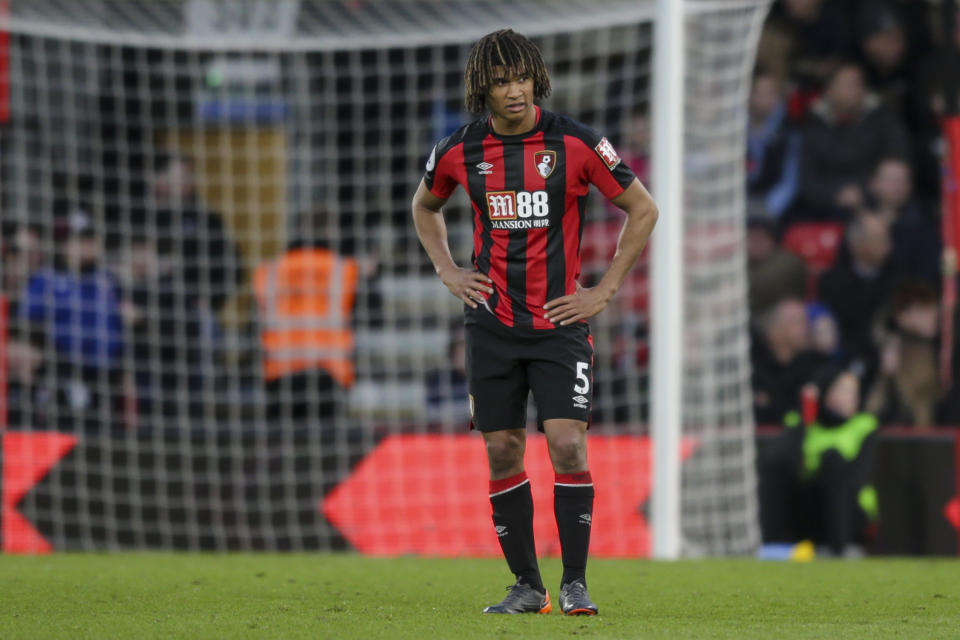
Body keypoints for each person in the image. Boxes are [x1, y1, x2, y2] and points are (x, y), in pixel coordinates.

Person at [410, 29, 657, 616]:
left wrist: (605, 289)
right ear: (483, 89)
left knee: (568, 443)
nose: (513, 91)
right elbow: (425, 206)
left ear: (536, 79)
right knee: (502, 449)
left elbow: (643, 207)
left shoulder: (575, 142)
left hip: (558, 323)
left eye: (521, 78)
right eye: (500, 81)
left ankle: (575, 582)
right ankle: (527, 585)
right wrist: (448, 270)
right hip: (491, 323)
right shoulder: (458, 150)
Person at [758, 365, 878, 557]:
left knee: (833, 459)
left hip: (851, 513)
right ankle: (772, 545)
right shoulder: (802, 423)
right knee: (776, 465)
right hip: (809, 510)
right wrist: (806, 416)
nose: (849, 398)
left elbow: (858, 477)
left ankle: (840, 549)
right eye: (842, 390)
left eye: (853, 392)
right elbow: (785, 461)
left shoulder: (864, 426)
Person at [253, 209, 360, 424]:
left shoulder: (269, 272)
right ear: (329, 233)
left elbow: (255, 324)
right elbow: (367, 313)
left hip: (279, 376)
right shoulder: (344, 269)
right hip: (328, 377)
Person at [751, 298, 826, 425]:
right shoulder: (752, 369)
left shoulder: (815, 367)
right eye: (797, 322)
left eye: (806, 321)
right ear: (774, 331)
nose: (806, 329)